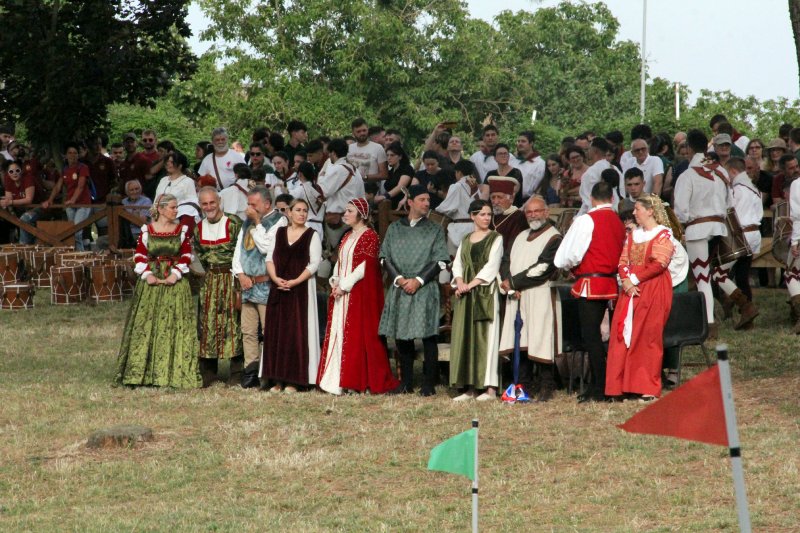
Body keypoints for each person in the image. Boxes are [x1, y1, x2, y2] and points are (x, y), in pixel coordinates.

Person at [115, 193, 201, 388]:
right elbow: (139, 255)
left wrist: (175, 274)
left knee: (175, 324)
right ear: (161, 209)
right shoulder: (147, 230)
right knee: (146, 325)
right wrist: (147, 275)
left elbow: (186, 255)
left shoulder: (181, 230)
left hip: (175, 282)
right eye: (172, 207)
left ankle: (174, 374)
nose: (176, 210)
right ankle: (142, 374)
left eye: (176, 207)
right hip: (152, 282)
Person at [317, 198, 400, 395]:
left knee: (357, 335)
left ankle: (356, 379)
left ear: (361, 214)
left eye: (349, 211)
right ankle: (337, 380)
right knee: (340, 332)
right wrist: (335, 280)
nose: (345, 214)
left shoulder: (369, 236)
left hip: (358, 293)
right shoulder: (347, 236)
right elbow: (341, 261)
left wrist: (344, 286)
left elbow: (365, 268)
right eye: (345, 211)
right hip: (342, 292)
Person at [554, 181, 626, 403]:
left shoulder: (587, 220)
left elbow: (568, 254)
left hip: (591, 283)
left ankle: (599, 386)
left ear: (592, 199)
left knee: (591, 336)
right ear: (612, 199)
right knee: (612, 337)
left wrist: (568, 267)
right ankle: (612, 383)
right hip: (612, 284)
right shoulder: (618, 221)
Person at [379, 185, 450, 396]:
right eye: (422, 199)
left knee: (428, 336)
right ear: (410, 202)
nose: (427, 203)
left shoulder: (435, 229)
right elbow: (384, 257)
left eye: (428, 200)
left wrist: (418, 281)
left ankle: (428, 384)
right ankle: (406, 383)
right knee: (402, 337)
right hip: (400, 287)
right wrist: (400, 280)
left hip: (424, 288)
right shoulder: (394, 228)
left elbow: (441, 261)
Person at [605, 195, 675, 401]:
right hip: (631, 290)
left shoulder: (663, 235)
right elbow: (623, 259)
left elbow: (660, 263)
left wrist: (634, 278)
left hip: (653, 288)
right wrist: (626, 280)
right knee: (623, 333)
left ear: (650, 211)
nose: (634, 213)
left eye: (637, 209)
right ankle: (620, 385)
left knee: (647, 336)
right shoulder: (634, 235)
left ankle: (646, 386)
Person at [499, 196, 563, 402]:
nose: (533, 215)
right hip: (517, 296)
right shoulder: (520, 235)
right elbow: (507, 259)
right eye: (529, 212)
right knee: (521, 340)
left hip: (540, 294)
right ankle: (523, 385)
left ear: (546, 212)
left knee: (540, 339)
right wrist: (509, 283)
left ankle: (547, 386)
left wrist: (514, 282)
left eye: (537, 211)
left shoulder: (554, 238)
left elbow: (543, 268)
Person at [673, 129, 730, 338]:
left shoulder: (688, 175)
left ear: (688, 147)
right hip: (719, 228)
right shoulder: (720, 172)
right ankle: (710, 318)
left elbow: (680, 210)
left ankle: (708, 323)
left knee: (701, 275)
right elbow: (729, 202)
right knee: (707, 274)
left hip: (697, 229)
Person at [261, 198, 322, 392]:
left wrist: (295, 281)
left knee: (297, 334)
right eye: (298, 210)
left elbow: (313, 264)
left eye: (305, 210)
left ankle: (294, 380)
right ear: (289, 212)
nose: (302, 214)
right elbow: (270, 259)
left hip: (300, 291)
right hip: (279, 290)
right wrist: (276, 278)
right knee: (278, 333)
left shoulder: (312, 235)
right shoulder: (279, 233)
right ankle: (277, 379)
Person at [232, 186, 287, 388]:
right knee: (248, 331)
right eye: (248, 204)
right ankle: (250, 371)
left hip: (266, 284)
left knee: (269, 330)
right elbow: (239, 249)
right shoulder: (247, 222)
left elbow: (267, 248)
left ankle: (270, 372)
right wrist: (240, 274)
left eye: (253, 205)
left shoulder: (279, 221)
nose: (249, 209)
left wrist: (256, 222)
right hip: (247, 284)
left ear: (266, 204)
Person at [449, 199, 503, 401]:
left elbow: (492, 266)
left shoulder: (495, 238)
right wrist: (461, 282)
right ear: (472, 216)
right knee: (467, 338)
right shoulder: (465, 238)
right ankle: (469, 387)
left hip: (484, 293)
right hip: (466, 295)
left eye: (489, 214)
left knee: (486, 339)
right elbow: (458, 264)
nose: (487, 218)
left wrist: (469, 285)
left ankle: (489, 387)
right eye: (482, 214)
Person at [193, 187, 243, 386]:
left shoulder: (234, 223)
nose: (209, 207)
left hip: (232, 280)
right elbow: (201, 257)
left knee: (234, 324)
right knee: (208, 324)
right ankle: (208, 373)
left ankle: (237, 372)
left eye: (212, 202)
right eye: (204, 204)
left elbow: (243, 252)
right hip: (210, 282)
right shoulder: (198, 228)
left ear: (219, 201)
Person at [711, 157, 761, 330]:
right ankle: (748, 319)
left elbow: (730, 213)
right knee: (741, 276)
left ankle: (745, 307)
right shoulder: (753, 189)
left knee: (718, 273)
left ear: (732, 171)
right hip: (753, 234)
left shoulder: (737, 189)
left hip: (742, 234)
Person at [41, 143, 91, 250]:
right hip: (70, 204)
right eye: (70, 153)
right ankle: (74, 257)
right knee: (71, 233)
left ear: (78, 155)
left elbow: (81, 186)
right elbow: (57, 187)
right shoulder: (65, 169)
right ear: (65, 155)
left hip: (83, 204)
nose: (72, 155)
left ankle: (80, 259)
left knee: (76, 232)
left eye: (75, 153)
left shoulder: (83, 167)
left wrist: (73, 200)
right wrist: (50, 200)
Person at [154, 151, 200, 232]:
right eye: (167, 162)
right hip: (159, 219)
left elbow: (192, 204)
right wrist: (154, 216)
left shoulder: (188, 181)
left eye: (172, 162)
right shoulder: (163, 180)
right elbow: (156, 200)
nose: (168, 164)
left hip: (178, 220)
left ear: (180, 165)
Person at [488, 176, 527, 254]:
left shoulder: (519, 217)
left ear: (511, 199)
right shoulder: (489, 216)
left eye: (499, 197)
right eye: (493, 197)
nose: (495, 202)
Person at [347, 118, 388, 184]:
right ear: (353, 133)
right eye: (358, 131)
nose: (362, 133)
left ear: (367, 130)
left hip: (370, 192)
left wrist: (365, 177)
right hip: (350, 190)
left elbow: (384, 174)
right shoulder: (348, 148)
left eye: (364, 130)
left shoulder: (378, 148)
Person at [376, 142, 413, 209]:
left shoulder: (407, 168)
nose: (389, 158)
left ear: (400, 157)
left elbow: (401, 186)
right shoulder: (390, 172)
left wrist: (385, 196)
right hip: (389, 205)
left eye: (392, 155)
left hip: (403, 205)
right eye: (387, 155)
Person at [512, 131, 546, 201]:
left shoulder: (540, 163)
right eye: (518, 141)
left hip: (528, 201)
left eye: (523, 141)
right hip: (511, 200)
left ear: (531, 143)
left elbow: (539, 187)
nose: (520, 144)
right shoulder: (513, 161)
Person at [121, 180, 152, 245]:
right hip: (124, 233)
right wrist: (135, 214)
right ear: (127, 192)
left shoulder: (146, 201)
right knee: (100, 241)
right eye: (131, 190)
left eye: (137, 189)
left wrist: (129, 216)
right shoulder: (123, 202)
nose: (135, 192)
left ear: (140, 190)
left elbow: (142, 221)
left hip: (139, 232)